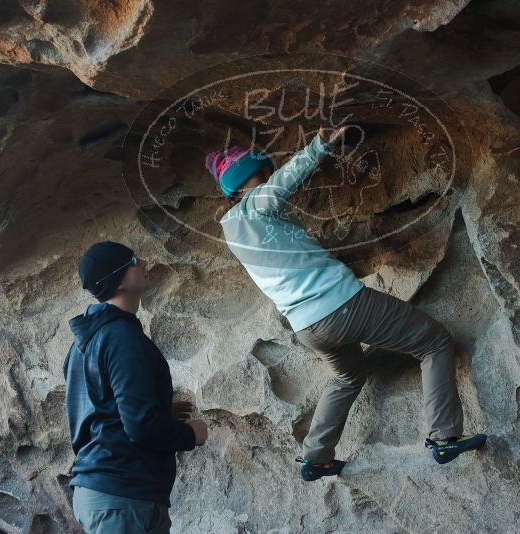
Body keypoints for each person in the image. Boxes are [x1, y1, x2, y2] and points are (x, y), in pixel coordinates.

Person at [205, 126, 487, 482]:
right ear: (248, 179)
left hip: (307, 327)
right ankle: (444, 436)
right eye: (261, 172)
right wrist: (319, 145)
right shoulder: (255, 206)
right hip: (341, 306)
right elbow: (282, 184)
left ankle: (316, 458)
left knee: (348, 376)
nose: (266, 176)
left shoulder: (232, 229)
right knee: (435, 343)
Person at [63, 241, 209, 532]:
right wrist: (190, 434)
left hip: (108, 491)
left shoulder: (86, 340)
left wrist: (158, 410)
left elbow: (96, 410)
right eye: (133, 260)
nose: (143, 262)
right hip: (122, 494)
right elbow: (141, 428)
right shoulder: (121, 337)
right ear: (118, 279)